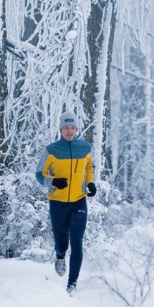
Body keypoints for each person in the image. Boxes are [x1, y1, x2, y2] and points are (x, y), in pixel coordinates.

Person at [35, 111, 96, 296]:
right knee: (62, 243)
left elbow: (89, 167)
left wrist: (91, 183)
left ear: (76, 129)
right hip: (58, 203)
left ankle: (72, 284)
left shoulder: (85, 148)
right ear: (61, 129)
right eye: (66, 128)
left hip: (79, 201)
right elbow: (39, 174)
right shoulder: (51, 150)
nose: (69, 131)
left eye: (72, 127)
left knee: (77, 241)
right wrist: (53, 182)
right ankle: (60, 255)